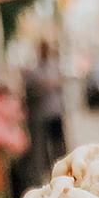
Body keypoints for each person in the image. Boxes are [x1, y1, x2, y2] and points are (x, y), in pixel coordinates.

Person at [23, 41, 66, 187]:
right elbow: (31, 88)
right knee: (41, 148)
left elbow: (60, 84)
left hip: (55, 113)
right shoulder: (35, 70)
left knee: (57, 146)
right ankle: (41, 175)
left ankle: (59, 171)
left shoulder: (54, 67)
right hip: (41, 115)